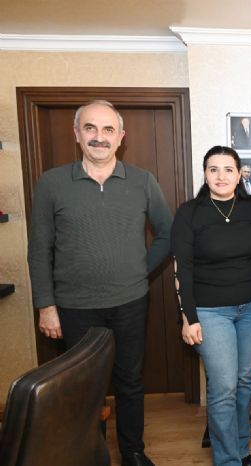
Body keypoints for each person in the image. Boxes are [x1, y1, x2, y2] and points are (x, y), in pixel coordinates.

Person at [28, 100, 172, 466]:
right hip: (74, 307)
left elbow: (167, 234)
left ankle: (133, 452)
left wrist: (139, 270)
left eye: (108, 130)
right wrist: (46, 306)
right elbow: (39, 249)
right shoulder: (51, 183)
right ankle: (89, 455)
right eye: (90, 128)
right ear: (76, 134)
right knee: (81, 387)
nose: (99, 137)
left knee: (130, 381)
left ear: (121, 137)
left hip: (130, 302)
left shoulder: (142, 181)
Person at [171, 146, 251, 466]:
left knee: (243, 381)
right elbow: (182, 268)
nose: (221, 176)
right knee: (224, 386)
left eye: (229, 169)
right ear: (205, 174)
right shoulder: (189, 212)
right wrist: (188, 317)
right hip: (210, 313)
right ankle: (227, 460)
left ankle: (240, 448)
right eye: (214, 169)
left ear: (240, 175)